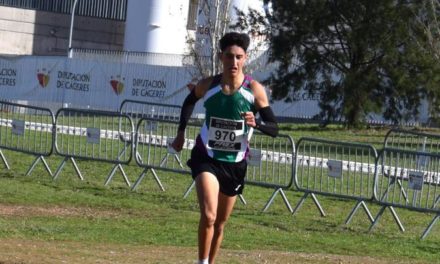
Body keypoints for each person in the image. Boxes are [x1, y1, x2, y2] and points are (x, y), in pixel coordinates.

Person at [171, 32, 278, 264]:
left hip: (235, 163)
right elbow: (190, 101)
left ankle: (210, 261)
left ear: (245, 58)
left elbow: (274, 128)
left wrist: (256, 123)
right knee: (208, 216)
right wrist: (181, 132)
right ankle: (201, 262)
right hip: (207, 157)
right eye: (229, 56)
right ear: (221, 57)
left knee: (220, 224)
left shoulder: (254, 90)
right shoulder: (208, 85)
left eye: (239, 57)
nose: (234, 62)